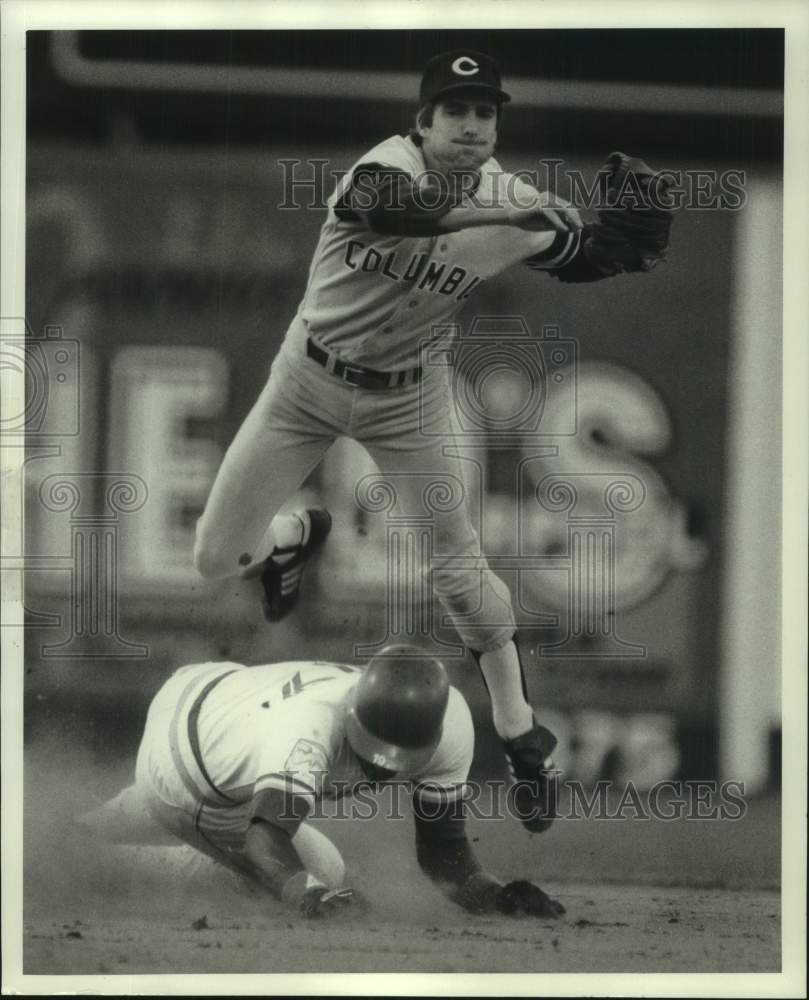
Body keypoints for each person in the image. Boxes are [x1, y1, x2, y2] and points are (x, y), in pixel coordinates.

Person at [192, 49, 674, 834]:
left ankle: (522, 735)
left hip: (411, 399)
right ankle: (294, 534)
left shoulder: (512, 200)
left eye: (485, 113)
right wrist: (511, 217)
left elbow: (581, 257)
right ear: (421, 123)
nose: (472, 127)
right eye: (455, 112)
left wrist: (621, 244)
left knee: (458, 569)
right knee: (213, 560)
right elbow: (396, 214)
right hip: (305, 383)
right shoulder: (381, 170)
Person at [82, 647, 565, 919]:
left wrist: (495, 895)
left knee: (235, 787)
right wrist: (310, 894)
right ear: (354, 711)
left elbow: (445, 855)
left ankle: (78, 831)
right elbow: (264, 839)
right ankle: (89, 861)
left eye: (396, 758)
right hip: (188, 771)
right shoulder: (310, 729)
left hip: (215, 696)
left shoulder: (452, 724)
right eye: (370, 746)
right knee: (322, 869)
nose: (380, 766)